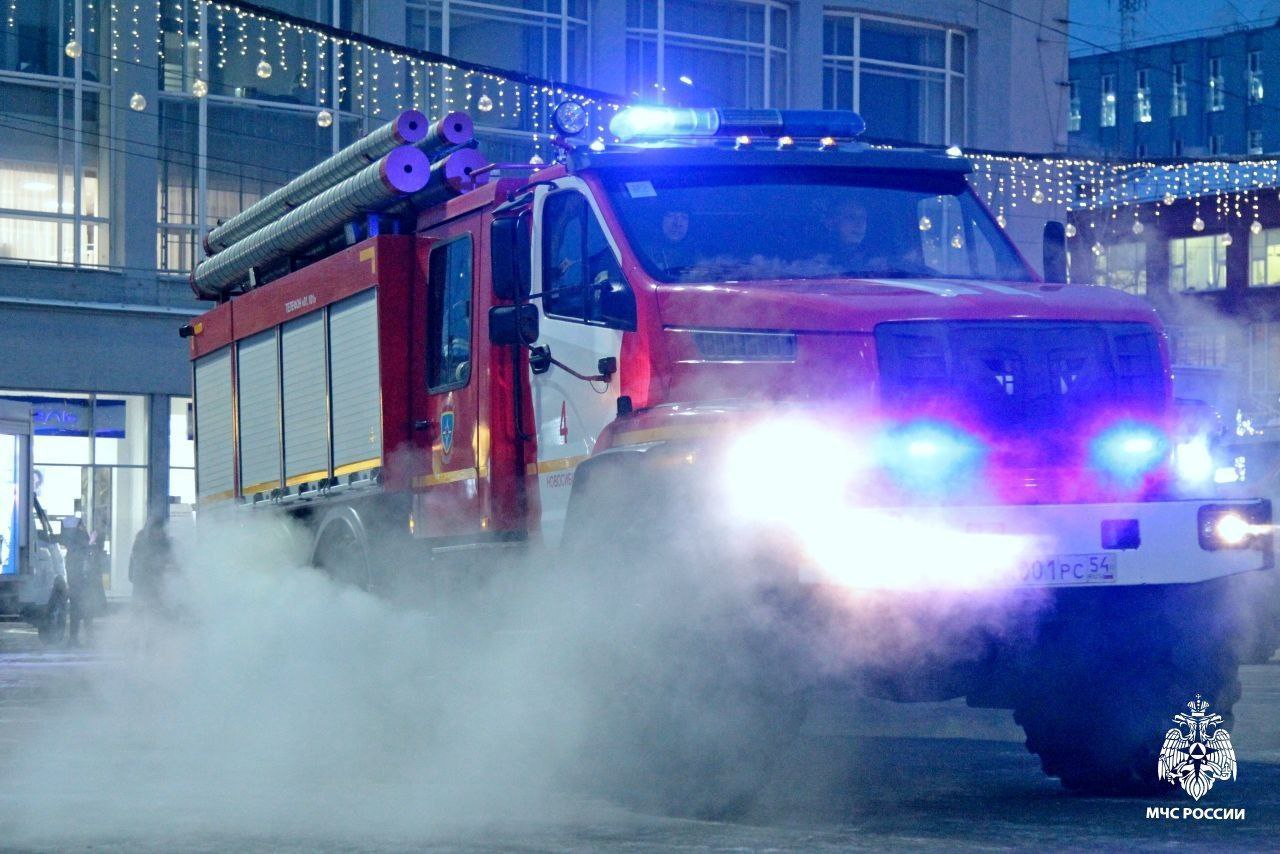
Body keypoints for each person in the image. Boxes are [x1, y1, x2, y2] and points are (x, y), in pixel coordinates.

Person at [60, 516, 99, 646]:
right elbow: (82, 558)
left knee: (78, 610)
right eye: (81, 526)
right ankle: (82, 639)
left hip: (78, 582)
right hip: (81, 581)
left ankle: (77, 639)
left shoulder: (73, 543)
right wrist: (90, 543)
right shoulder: (78, 543)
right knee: (83, 610)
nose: (84, 528)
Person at [129, 516, 177, 616]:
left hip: (158, 587)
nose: (158, 533)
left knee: (158, 612)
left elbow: (173, 562)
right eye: (156, 530)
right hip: (144, 585)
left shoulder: (165, 543)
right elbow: (136, 565)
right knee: (143, 612)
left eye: (160, 530)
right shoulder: (142, 543)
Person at [654, 209, 694, 273]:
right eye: (670, 215)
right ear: (660, 220)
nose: (678, 223)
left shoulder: (696, 256)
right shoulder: (643, 254)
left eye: (684, 217)